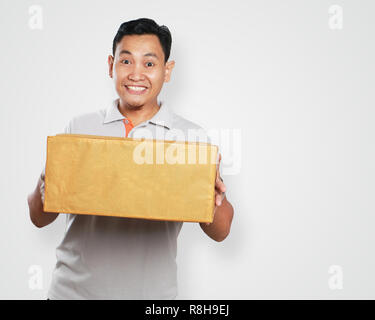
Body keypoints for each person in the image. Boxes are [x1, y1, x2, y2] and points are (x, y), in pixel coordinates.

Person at [27, 18, 234, 300]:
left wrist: (213, 195)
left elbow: (221, 232)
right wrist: (45, 181)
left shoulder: (190, 138)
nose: (136, 74)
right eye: (126, 62)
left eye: (149, 64)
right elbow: (39, 217)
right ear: (111, 65)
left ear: (167, 70)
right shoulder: (80, 127)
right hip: (71, 294)